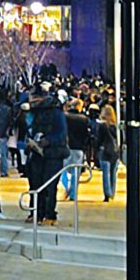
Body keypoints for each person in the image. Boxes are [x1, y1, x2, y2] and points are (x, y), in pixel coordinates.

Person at [26, 86, 69, 225]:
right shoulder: (34, 113)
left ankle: (50, 214)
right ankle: (36, 213)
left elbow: (62, 133)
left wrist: (47, 140)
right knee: (35, 184)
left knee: (49, 185)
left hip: (53, 154)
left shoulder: (56, 112)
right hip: (37, 154)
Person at [62, 99, 91, 201]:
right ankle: (73, 194)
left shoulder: (65, 117)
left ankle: (67, 186)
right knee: (76, 172)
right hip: (79, 148)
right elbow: (87, 135)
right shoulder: (84, 119)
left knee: (63, 170)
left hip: (67, 146)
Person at [96, 104, 120, 202]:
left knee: (106, 173)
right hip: (115, 151)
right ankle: (112, 192)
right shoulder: (116, 126)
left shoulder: (102, 125)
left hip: (104, 150)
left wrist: (96, 149)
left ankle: (107, 194)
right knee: (113, 173)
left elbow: (99, 139)